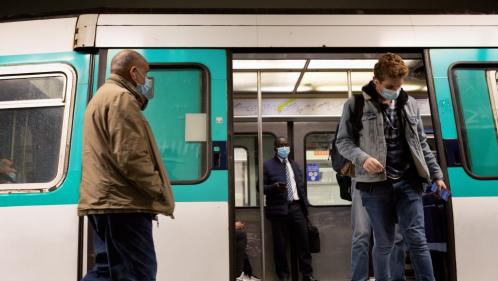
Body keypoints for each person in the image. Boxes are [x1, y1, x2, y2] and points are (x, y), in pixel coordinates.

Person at [337, 53, 447, 281]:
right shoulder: (355, 104)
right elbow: (343, 142)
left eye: (399, 86)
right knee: (384, 241)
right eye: (390, 86)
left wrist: (436, 174)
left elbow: (421, 143)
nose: (395, 90)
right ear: (376, 81)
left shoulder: (410, 104)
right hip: (375, 186)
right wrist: (363, 158)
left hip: (409, 182)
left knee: (417, 239)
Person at [78, 50, 175, 281]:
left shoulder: (104, 95)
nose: (148, 81)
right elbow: (130, 156)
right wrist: (158, 190)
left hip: (109, 201)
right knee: (138, 273)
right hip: (123, 204)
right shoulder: (121, 98)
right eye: (147, 74)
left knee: (107, 271)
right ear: (134, 73)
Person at [263, 137, 318, 281]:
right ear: (275, 148)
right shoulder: (267, 165)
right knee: (280, 247)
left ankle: (307, 275)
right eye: (281, 145)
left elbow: (300, 187)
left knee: (303, 244)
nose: (284, 148)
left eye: (286, 145)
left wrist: (304, 206)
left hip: (296, 208)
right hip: (278, 211)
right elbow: (260, 188)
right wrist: (274, 187)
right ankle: (284, 277)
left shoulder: (294, 165)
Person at [351, 181, 407, 281]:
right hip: (363, 177)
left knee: (395, 238)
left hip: (392, 177)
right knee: (361, 234)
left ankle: (396, 278)